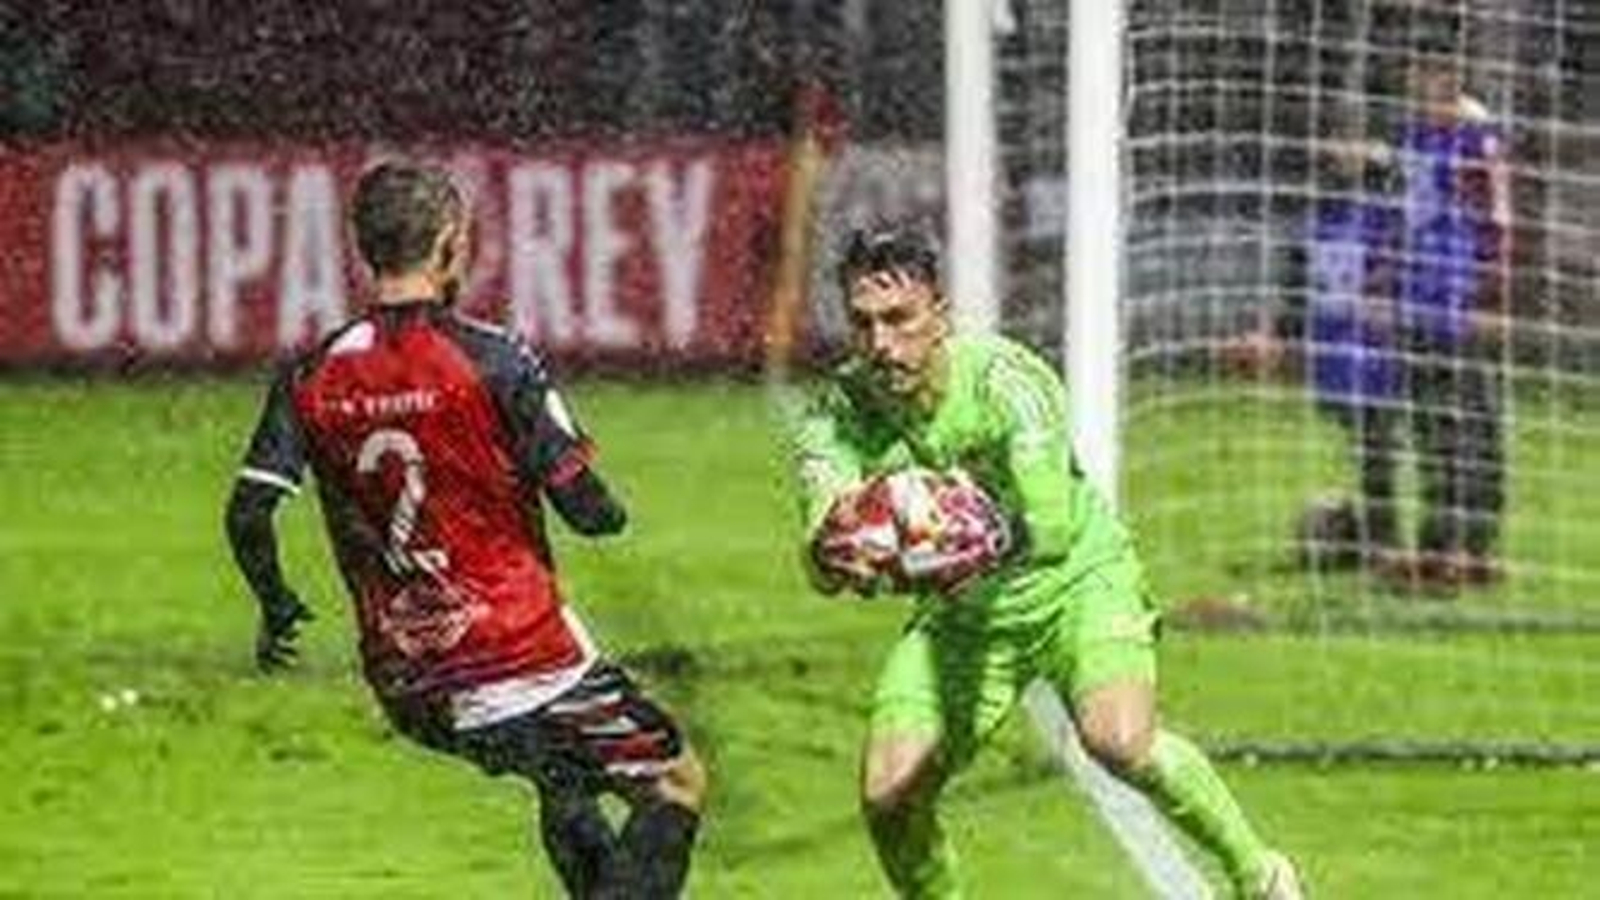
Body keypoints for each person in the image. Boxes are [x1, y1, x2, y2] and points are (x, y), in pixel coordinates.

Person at [223, 161, 705, 899]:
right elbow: (587, 510)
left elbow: (250, 511)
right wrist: (607, 506)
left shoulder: (310, 370)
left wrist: (276, 602)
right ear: (451, 244)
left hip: (408, 680)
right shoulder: (494, 357)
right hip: (517, 658)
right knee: (673, 780)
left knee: (564, 781)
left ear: (364, 249)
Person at [789, 225, 1303, 898]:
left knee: (1118, 740)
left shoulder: (1009, 382)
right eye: (863, 323)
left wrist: (952, 533)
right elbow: (820, 553)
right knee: (889, 794)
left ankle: (1259, 873)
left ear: (939, 316)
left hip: (1078, 584)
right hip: (964, 618)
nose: (882, 343)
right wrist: (838, 554)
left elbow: (1052, 527)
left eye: (899, 318)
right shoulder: (835, 414)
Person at [1394, 51, 1512, 589]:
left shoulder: (1475, 137)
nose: (1417, 84)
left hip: (1461, 303)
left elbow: (1497, 222)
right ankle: (1439, 547)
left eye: (1428, 73)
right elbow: (1403, 220)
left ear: (1451, 77)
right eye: (1413, 76)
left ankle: (1475, 549)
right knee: (1432, 429)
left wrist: (1490, 299)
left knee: (1475, 427)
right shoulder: (1413, 138)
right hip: (1418, 303)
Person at [1261, 139, 1407, 571]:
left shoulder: (1381, 218)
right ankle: (1378, 538)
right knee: (1373, 448)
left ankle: (1387, 539)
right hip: (1341, 356)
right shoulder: (1319, 223)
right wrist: (1282, 336)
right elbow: (1294, 286)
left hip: (1375, 354)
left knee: (1378, 446)